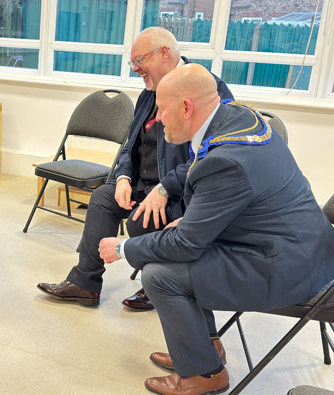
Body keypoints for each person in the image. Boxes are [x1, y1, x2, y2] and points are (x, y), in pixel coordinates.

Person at [99, 64, 334, 394]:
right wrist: (193, 214)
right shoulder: (238, 116)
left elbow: (185, 245)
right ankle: (204, 346)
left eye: (162, 110)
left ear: (186, 107)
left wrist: (123, 248)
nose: (157, 120)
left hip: (287, 269)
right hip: (305, 247)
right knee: (178, 247)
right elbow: (217, 177)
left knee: (159, 274)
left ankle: (203, 374)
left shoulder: (226, 160)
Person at [37, 26, 233, 311]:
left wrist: (166, 188)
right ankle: (85, 284)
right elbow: (130, 144)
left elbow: (209, 156)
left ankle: (157, 284)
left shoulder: (207, 88)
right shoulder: (147, 94)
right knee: (103, 198)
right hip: (142, 185)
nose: (136, 69)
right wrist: (123, 176)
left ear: (164, 53)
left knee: (142, 220)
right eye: (133, 63)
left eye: (140, 61)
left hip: (178, 194)